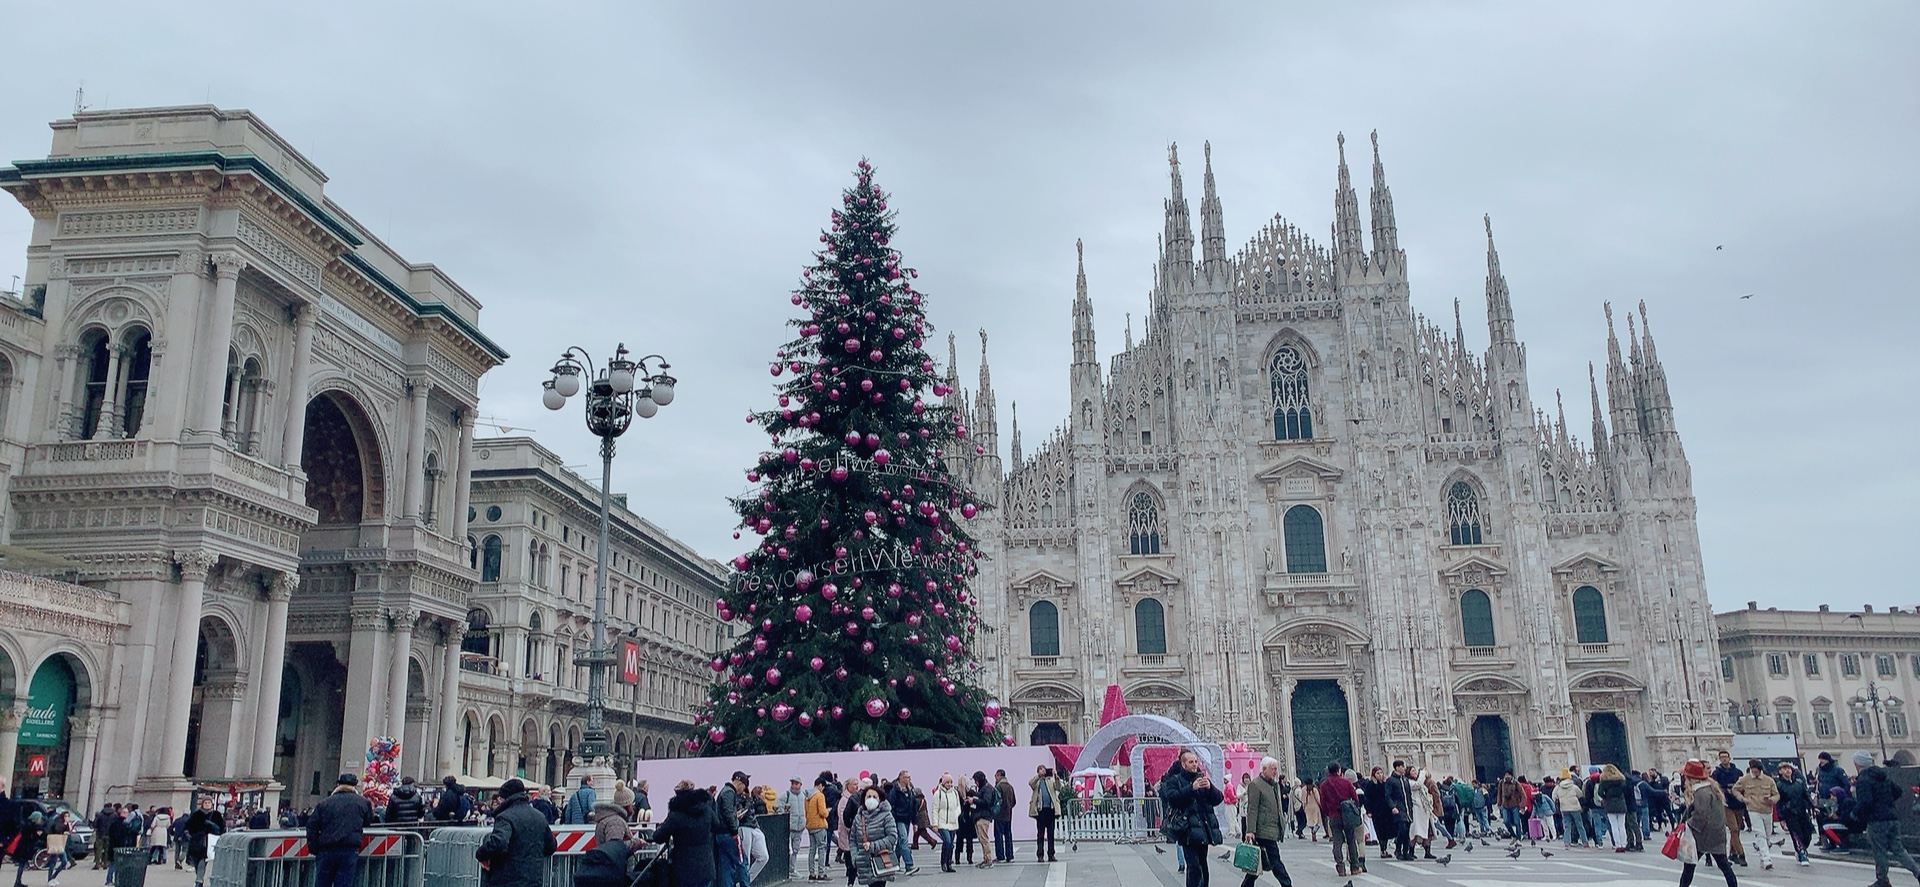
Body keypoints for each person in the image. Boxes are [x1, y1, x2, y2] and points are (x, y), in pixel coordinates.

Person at [1852, 749, 1920, 886]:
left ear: (1857, 764)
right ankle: (1918, 872)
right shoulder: (1883, 776)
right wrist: (1887, 803)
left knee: (1879, 851)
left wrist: (1855, 813)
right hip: (1892, 817)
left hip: (1876, 820)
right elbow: (1898, 791)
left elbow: (1865, 802)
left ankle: (1883, 880)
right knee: (1899, 849)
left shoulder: (1864, 779)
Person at [1159, 748, 1224, 887]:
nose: (1194, 764)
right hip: (1187, 830)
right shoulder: (1175, 780)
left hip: (1203, 829)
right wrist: (1190, 788)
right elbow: (1172, 798)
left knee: (1203, 865)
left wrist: (1210, 788)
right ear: (1183, 764)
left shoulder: (1201, 778)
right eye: (1191, 762)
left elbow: (1218, 799)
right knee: (1193, 867)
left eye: (1195, 761)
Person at [477, 779, 555, 887]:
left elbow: (499, 843)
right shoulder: (539, 817)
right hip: (533, 880)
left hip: (507, 879)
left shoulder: (505, 817)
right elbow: (551, 847)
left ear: (505, 798)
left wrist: (481, 854)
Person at [1676, 760, 1738, 887]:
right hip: (1716, 833)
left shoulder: (1701, 792)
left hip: (1703, 835)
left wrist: (1688, 825)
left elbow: (1701, 814)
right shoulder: (1711, 787)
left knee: (1689, 866)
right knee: (1724, 865)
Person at [308, 774, 374, 887]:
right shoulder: (363, 802)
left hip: (326, 849)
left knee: (322, 883)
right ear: (355, 786)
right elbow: (368, 822)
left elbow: (312, 826)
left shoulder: (324, 803)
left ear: (338, 785)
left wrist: (314, 848)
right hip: (349, 849)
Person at [1238, 757, 1293, 887]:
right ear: (1264, 769)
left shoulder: (1274, 785)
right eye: (1273, 769)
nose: (1275, 772)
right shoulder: (1255, 785)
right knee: (1275, 862)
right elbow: (1252, 809)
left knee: (1257, 864)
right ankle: (1287, 884)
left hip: (1271, 829)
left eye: (1276, 769)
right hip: (1263, 831)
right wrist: (1250, 831)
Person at [652, 781, 717, 887]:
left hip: (683, 868)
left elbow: (658, 837)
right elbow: (717, 825)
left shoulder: (676, 815)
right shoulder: (706, 810)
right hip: (706, 865)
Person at [575, 805, 643, 887]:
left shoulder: (606, 819)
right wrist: (636, 843)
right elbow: (615, 847)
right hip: (611, 869)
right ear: (627, 806)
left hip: (604, 867)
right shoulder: (616, 822)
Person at [1318, 764, 1363, 877]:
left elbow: (1323, 802)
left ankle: (1340, 866)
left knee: (1337, 842)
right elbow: (1355, 798)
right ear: (1339, 770)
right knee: (1351, 841)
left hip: (1334, 815)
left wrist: (1328, 813)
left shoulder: (1324, 785)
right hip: (1348, 815)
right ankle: (1354, 867)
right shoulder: (1346, 782)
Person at [1730, 761, 1777, 870]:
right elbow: (1735, 790)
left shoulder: (1769, 780)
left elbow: (1776, 794)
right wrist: (1742, 799)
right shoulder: (1745, 779)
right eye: (1752, 770)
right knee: (1760, 834)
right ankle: (1767, 859)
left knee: (1768, 835)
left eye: (1756, 771)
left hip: (1767, 810)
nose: (1754, 773)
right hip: (1753, 809)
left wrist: (1771, 800)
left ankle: (1762, 854)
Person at [852, 786, 897, 887]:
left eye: (874, 797)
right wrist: (855, 857)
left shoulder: (886, 816)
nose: (871, 799)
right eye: (868, 796)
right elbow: (852, 840)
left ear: (880, 799)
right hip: (864, 862)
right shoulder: (858, 817)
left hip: (881, 860)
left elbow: (892, 837)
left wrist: (872, 845)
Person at [1772, 762, 1813, 867]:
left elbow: (1806, 796)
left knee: (1807, 834)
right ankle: (1802, 853)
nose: (1787, 770)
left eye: (1789, 768)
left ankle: (1802, 849)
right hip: (1790, 814)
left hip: (1802, 812)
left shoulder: (1799, 782)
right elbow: (1779, 803)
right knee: (1797, 835)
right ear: (1780, 771)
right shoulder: (1779, 785)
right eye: (1784, 768)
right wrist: (1781, 818)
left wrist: (1813, 806)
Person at [1710, 752, 1747, 866]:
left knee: (1737, 830)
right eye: (1722, 757)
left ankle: (1733, 853)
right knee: (1734, 829)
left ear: (1729, 758)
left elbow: (1743, 786)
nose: (1724, 759)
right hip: (1726, 804)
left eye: (1725, 757)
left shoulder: (1738, 772)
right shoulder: (1716, 773)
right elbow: (1715, 788)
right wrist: (1725, 791)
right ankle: (1741, 854)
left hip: (1738, 803)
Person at [182, 798, 224, 887]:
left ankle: (199, 881)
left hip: (209, 842)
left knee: (203, 860)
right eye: (206, 802)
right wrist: (188, 834)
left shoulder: (216, 815)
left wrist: (213, 826)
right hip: (196, 841)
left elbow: (221, 828)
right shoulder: (196, 814)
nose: (207, 804)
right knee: (196, 862)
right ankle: (199, 878)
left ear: (212, 804)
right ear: (202, 804)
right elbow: (188, 826)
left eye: (209, 803)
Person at [883, 772, 918, 876]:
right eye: (907, 777)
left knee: (899, 843)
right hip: (898, 819)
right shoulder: (895, 790)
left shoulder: (910, 789)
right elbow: (891, 805)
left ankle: (895, 863)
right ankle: (909, 865)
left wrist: (915, 822)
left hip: (907, 819)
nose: (909, 779)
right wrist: (894, 817)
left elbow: (913, 806)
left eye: (909, 777)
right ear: (901, 778)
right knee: (903, 840)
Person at [928, 774, 960, 875]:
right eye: (947, 782)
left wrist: (956, 814)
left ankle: (949, 863)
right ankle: (943, 862)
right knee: (947, 842)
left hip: (953, 823)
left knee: (951, 844)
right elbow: (935, 809)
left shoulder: (955, 792)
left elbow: (958, 806)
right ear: (943, 783)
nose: (949, 784)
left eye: (951, 782)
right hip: (942, 823)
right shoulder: (938, 794)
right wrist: (935, 824)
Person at [1028, 766, 1058, 863]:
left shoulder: (1050, 780)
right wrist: (1038, 776)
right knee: (1040, 834)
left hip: (1050, 810)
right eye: (1041, 770)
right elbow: (1030, 783)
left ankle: (1051, 854)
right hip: (1040, 811)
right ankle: (1040, 855)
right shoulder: (1037, 782)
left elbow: (1058, 787)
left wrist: (1056, 776)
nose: (1043, 771)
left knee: (1051, 834)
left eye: (1044, 769)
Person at [1596, 765, 1629, 851]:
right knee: (1622, 825)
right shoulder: (1621, 780)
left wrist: (1606, 797)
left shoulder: (1604, 782)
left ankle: (1618, 845)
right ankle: (1624, 844)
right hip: (1621, 803)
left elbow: (1600, 792)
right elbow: (1626, 791)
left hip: (1610, 803)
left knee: (1614, 826)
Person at [1385, 761, 1413, 861]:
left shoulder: (1405, 780)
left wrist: (1411, 807)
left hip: (1407, 809)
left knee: (1407, 831)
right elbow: (1388, 795)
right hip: (1398, 808)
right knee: (1402, 829)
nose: (1404, 768)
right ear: (1397, 768)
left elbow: (1409, 795)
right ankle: (1398, 849)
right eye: (1402, 766)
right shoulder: (1391, 780)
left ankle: (1405, 852)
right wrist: (1393, 806)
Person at [968, 773, 996, 868]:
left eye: (976, 780)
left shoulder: (987, 788)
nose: (975, 783)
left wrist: (973, 800)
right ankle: (986, 859)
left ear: (979, 780)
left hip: (983, 817)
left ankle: (988, 860)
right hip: (981, 816)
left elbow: (986, 802)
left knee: (984, 839)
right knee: (982, 839)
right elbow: (981, 796)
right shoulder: (985, 788)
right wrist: (974, 794)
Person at [992, 771, 1015, 865]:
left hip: (999, 815)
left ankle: (1000, 856)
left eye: (996, 776)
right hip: (1008, 814)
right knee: (1008, 835)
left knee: (998, 836)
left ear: (999, 776)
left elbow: (995, 800)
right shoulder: (1010, 787)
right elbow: (1014, 801)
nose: (995, 778)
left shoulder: (998, 787)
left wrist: (995, 811)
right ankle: (1010, 856)